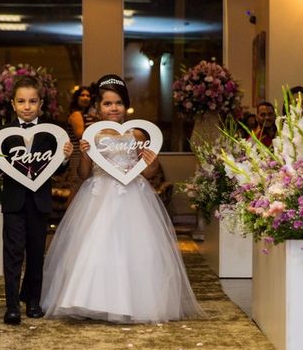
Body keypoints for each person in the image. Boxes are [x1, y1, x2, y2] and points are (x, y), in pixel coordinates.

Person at [40, 74, 203, 323]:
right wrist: (84, 155)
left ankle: (134, 302)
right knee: (96, 246)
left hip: (132, 195)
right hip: (98, 194)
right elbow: (83, 174)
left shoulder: (136, 134)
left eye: (117, 102)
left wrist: (152, 159)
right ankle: (90, 300)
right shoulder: (92, 135)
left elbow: (148, 172)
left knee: (133, 248)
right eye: (107, 103)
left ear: (125, 104)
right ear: (98, 106)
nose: (113, 108)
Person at [0, 75, 72, 325]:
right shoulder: (4, 133)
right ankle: (12, 305)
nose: (27, 107)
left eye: (32, 101)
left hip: (40, 202)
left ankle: (33, 301)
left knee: (36, 254)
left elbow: (56, 169)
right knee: (12, 255)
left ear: (41, 104)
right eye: (21, 101)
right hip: (14, 202)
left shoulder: (52, 133)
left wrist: (65, 158)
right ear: (12, 104)